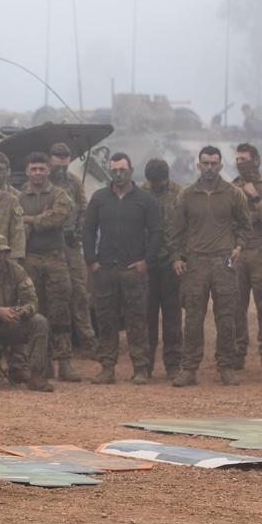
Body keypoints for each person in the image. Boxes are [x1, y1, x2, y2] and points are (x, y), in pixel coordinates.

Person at [169, 146, 250, 386]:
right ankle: (189, 368)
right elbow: (175, 232)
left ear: (221, 166)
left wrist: (239, 246)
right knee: (193, 318)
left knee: (226, 317)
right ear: (198, 165)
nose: (210, 168)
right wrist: (176, 257)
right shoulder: (186, 195)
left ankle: (226, 366)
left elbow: (246, 226)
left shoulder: (233, 194)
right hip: (195, 264)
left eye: (214, 163)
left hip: (224, 263)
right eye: (205, 163)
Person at [84, 153, 163, 384]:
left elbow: (157, 232)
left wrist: (146, 262)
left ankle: (140, 368)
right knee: (106, 320)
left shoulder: (145, 199)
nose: (118, 173)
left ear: (130, 170)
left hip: (133, 271)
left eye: (122, 169)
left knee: (137, 320)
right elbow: (88, 230)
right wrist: (91, 260)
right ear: (110, 171)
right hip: (105, 270)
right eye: (114, 170)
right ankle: (107, 368)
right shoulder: (99, 198)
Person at [18, 152, 79, 382]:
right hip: (30, 259)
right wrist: (39, 217)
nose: (38, 173)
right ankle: (42, 365)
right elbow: (17, 223)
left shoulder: (59, 194)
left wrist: (31, 220)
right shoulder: (19, 197)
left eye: (42, 169)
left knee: (61, 311)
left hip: (55, 258)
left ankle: (65, 363)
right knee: (37, 313)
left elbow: (59, 217)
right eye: (34, 169)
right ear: (27, 171)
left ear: (48, 170)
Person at [0, 235, 52, 392]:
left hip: (14, 323)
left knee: (39, 321)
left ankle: (36, 376)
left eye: (0, 253)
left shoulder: (17, 271)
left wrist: (22, 311)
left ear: (6, 254)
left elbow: (32, 300)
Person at [48, 142, 97, 352]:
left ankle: (87, 340)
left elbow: (84, 209)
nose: (61, 170)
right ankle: (51, 343)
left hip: (71, 244)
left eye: (64, 166)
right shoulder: (42, 182)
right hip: (48, 244)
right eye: (57, 165)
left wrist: (79, 232)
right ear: (51, 161)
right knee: (50, 293)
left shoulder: (75, 183)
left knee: (79, 292)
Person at [142, 158, 184, 379]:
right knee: (146, 316)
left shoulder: (180, 194)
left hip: (171, 263)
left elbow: (183, 229)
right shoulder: (141, 193)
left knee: (172, 317)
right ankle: (145, 366)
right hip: (147, 263)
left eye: (160, 184)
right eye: (153, 184)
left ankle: (173, 365)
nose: (156, 187)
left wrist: (179, 257)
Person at [232, 143, 262, 371]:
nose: (241, 163)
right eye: (238, 159)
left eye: (245, 159)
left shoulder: (257, 187)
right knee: (236, 307)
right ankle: (238, 353)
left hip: (260, 254)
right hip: (239, 255)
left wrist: (254, 197)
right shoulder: (232, 188)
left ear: (256, 161)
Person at [0, 152, 26, 260]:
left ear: (8, 171)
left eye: (1, 169)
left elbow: (19, 231)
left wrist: (15, 257)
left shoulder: (17, 197)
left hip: (5, 255)